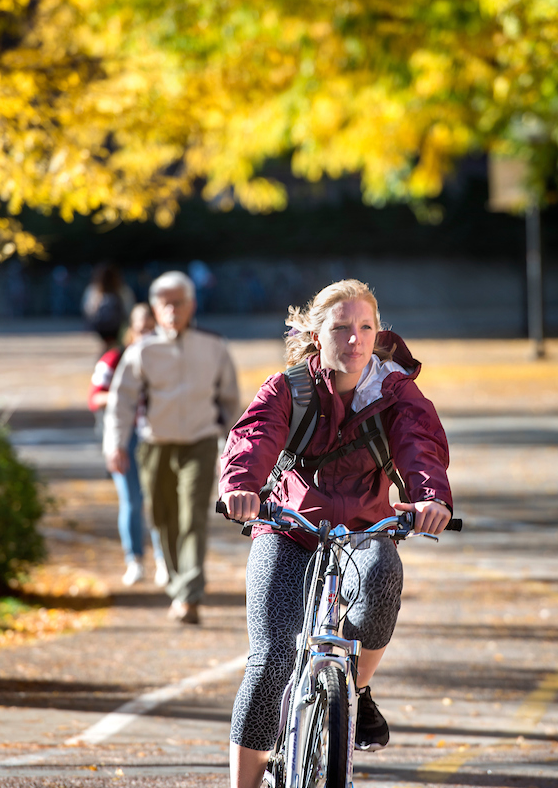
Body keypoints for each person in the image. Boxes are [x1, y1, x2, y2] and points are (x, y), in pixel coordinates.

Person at [218, 278, 452, 788]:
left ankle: (356, 690)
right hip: (288, 528)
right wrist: (241, 487)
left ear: (377, 332)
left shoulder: (395, 392)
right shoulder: (289, 387)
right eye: (341, 327)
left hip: (365, 530)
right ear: (316, 334)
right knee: (272, 658)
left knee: (382, 572)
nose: (355, 338)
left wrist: (429, 497)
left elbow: (420, 445)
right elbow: (255, 438)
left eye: (365, 326)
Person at [103, 271, 239, 625]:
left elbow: (230, 403)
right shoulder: (142, 350)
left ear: (192, 305)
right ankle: (178, 583)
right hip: (156, 445)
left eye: (179, 302)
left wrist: (234, 451)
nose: (172, 310)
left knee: (192, 515)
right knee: (163, 518)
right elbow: (121, 401)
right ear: (154, 308)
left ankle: (189, 595)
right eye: (165, 304)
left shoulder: (213, 346)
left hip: (201, 442)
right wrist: (115, 444)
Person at [89, 303, 167, 586]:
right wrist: (123, 397)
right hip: (125, 435)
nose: (146, 335)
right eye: (140, 330)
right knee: (132, 500)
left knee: (159, 500)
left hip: (158, 436)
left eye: (151, 330)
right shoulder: (114, 358)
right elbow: (94, 397)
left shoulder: (166, 358)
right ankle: (135, 560)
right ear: (129, 331)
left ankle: (163, 560)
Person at [82, 263, 134, 347]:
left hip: (100, 328)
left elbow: (88, 309)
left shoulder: (93, 290)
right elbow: (129, 309)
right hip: (117, 327)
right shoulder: (123, 290)